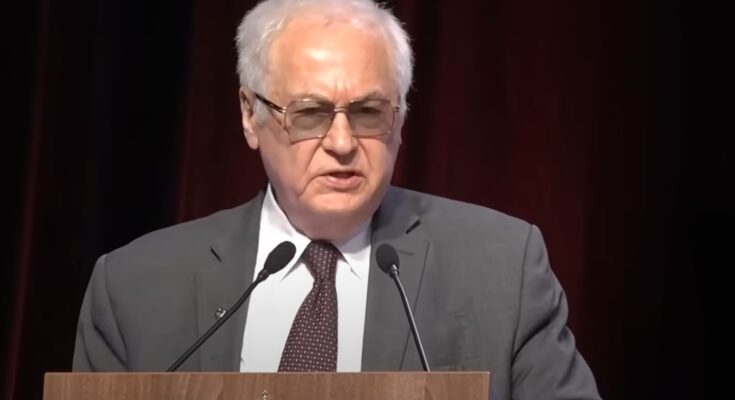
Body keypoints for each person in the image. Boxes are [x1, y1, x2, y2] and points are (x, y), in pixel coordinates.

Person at [73, 0, 601, 399]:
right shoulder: (134, 290)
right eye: (310, 114)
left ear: (400, 119)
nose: (343, 143)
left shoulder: (502, 271)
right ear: (250, 116)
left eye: (369, 113)